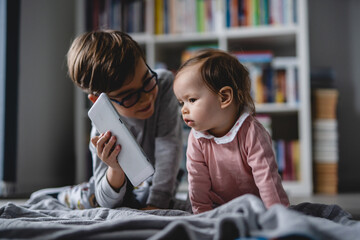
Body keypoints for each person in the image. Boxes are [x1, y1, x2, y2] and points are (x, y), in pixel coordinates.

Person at [33, 30, 183, 210]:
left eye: (146, 81)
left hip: (152, 182)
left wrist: (156, 204)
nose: (145, 98)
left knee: (156, 196)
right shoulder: (101, 132)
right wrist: (115, 169)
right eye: (129, 96)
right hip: (109, 190)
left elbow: (169, 147)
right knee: (90, 200)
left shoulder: (164, 82)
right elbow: (107, 203)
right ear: (99, 101)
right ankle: (66, 194)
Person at [173, 49, 289, 214]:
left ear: (224, 97)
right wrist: (202, 217)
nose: (184, 110)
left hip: (253, 206)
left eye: (191, 100)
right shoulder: (197, 138)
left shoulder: (251, 132)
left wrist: (279, 215)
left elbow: (267, 179)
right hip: (215, 207)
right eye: (181, 102)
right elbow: (197, 182)